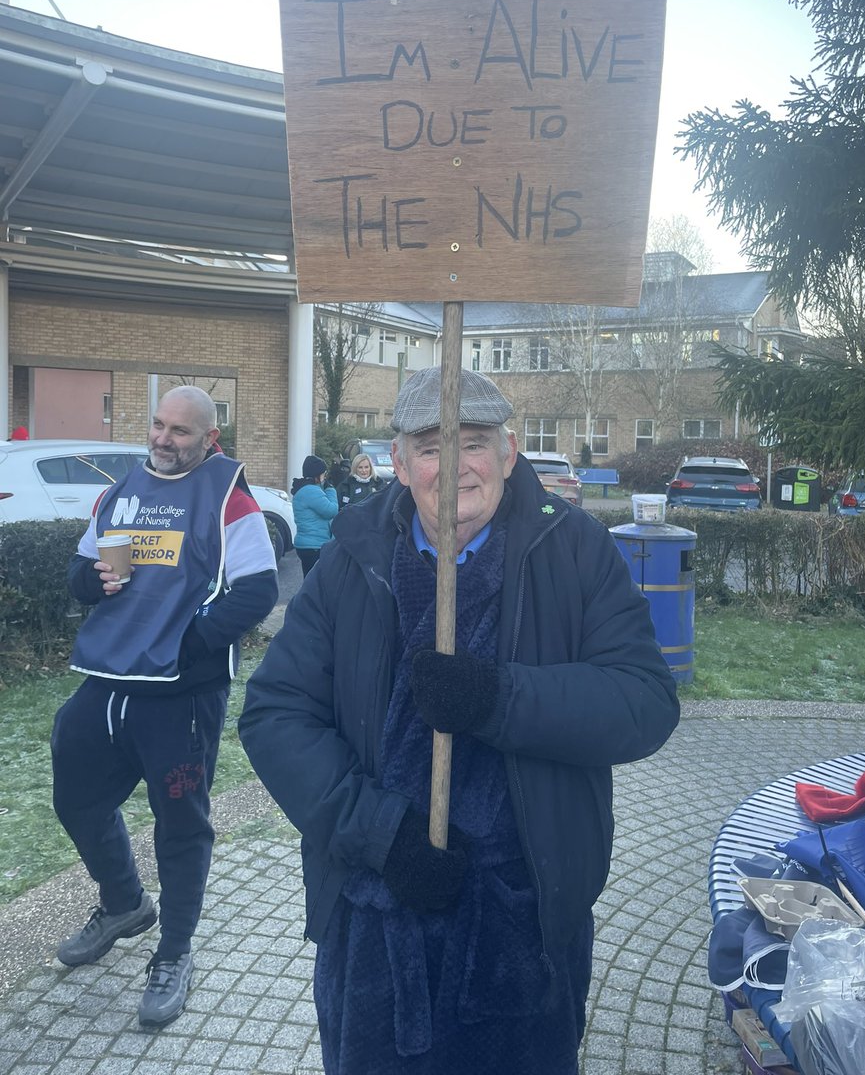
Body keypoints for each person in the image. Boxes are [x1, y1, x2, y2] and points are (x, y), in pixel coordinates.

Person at [239, 367, 679, 1074]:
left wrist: (500, 699)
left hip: (524, 924)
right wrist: (381, 834)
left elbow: (644, 703)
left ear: (509, 452)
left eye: (473, 443)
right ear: (401, 460)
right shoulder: (353, 560)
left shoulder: (572, 551)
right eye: (433, 446)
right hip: (375, 923)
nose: (456, 468)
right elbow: (273, 715)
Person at [52, 386, 279, 1029]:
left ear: (209, 439)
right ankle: (124, 901)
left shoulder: (228, 495)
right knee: (77, 794)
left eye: (180, 431)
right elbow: (78, 570)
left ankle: (173, 953)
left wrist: (192, 641)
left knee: (180, 825)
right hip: (108, 679)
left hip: (181, 694)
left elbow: (258, 589)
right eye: (158, 425)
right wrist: (92, 578)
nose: (163, 439)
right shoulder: (119, 490)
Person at [292, 454, 338, 575]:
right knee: (315, 585)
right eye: (324, 473)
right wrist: (331, 489)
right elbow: (331, 511)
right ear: (317, 475)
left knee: (310, 582)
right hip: (314, 546)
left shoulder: (305, 489)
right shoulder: (311, 491)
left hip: (307, 544)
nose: (325, 477)